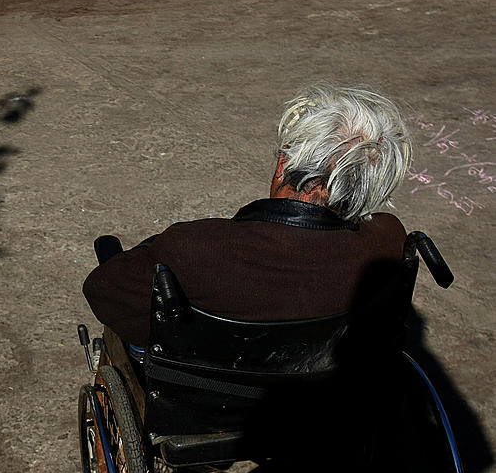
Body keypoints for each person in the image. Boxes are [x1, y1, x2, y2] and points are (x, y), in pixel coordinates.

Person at [82, 84, 412, 347]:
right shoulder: (387, 241)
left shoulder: (194, 248)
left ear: (285, 163)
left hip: (209, 406)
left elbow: (101, 292)